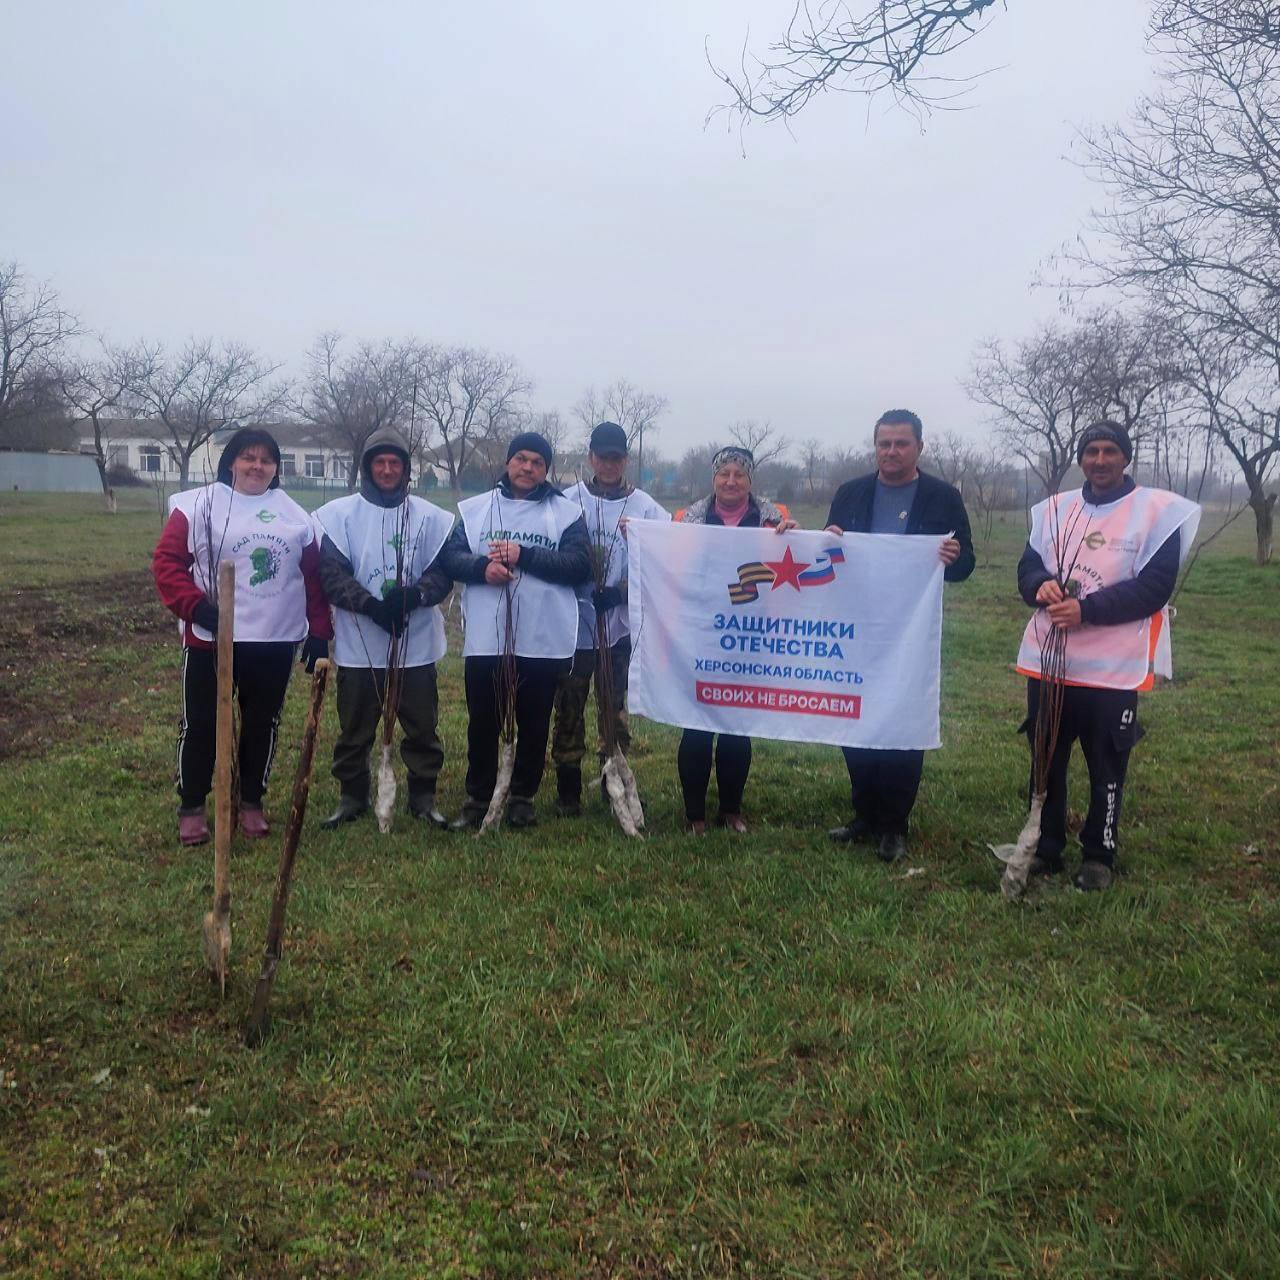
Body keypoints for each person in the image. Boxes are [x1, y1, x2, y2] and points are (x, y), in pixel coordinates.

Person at [1016, 420, 1200, 891]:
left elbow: (1153, 588)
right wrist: (1039, 584)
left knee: (1106, 765)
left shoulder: (1156, 512)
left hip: (1112, 669)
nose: (1099, 460)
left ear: (1125, 457)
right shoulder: (1054, 509)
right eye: (1091, 451)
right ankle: (1046, 845)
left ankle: (1099, 853)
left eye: (1109, 451)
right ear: (1081, 459)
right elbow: (1028, 567)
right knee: (1047, 757)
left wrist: (1087, 610)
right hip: (1051, 663)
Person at [153, 426, 332, 846]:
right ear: (231, 461)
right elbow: (167, 562)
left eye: (266, 459)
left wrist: (319, 632)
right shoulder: (196, 505)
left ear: (276, 468)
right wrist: (196, 607)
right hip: (211, 638)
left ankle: (251, 801)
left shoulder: (295, 516)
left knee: (262, 725)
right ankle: (193, 805)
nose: (257, 466)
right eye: (248, 457)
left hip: (273, 640)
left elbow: (314, 578)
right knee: (201, 725)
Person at [824, 409, 975, 863]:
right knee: (856, 717)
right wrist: (827, 541)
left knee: (902, 723)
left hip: (910, 631)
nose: (891, 452)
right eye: (884, 443)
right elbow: (830, 559)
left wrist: (952, 556)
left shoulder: (942, 497)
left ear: (919, 447)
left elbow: (965, 565)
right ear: (875, 447)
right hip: (856, 628)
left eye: (901, 444)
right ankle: (864, 814)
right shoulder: (850, 494)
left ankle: (894, 823)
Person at [440, 430, 592, 829]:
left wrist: (525, 555)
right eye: (521, 459)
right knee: (483, 721)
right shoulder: (475, 511)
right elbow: (451, 558)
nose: (528, 467)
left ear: (546, 470)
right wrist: (481, 569)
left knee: (535, 721)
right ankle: (478, 798)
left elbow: (580, 566)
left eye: (537, 462)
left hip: (541, 638)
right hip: (488, 638)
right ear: (508, 463)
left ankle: (522, 796)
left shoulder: (566, 513)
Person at [312, 426, 456, 829]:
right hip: (361, 639)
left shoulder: (431, 516)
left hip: (416, 639)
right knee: (355, 723)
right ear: (368, 467)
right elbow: (332, 575)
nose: (388, 469)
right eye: (381, 462)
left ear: (406, 469)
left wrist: (416, 596)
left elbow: (442, 570)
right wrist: (371, 606)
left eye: (396, 462)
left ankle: (423, 796)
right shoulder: (339, 516)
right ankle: (352, 795)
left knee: (421, 723)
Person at [550, 421, 670, 815]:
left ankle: (613, 779)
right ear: (590, 458)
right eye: (602, 457)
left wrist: (619, 592)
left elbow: (663, 560)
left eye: (616, 457)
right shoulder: (568, 502)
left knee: (613, 710)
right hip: (574, 626)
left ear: (626, 460)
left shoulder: (647, 508)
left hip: (617, 629)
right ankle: (568, 789)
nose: (608, 464)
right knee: (569, 707)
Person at [676, 445, 798, 835]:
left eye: (739, 474)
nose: (731, 481)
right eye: (723, 473)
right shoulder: (685, 520)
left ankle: (731, 809)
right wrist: (641, 536)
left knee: (736, 724)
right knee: (695, 725)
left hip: (751, 637)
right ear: (713, 479)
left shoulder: (774, 520)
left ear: (750, 480)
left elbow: (795, 558)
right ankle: (694, 814)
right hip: (699, 633)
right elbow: (665, 560)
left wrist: (800, 539)